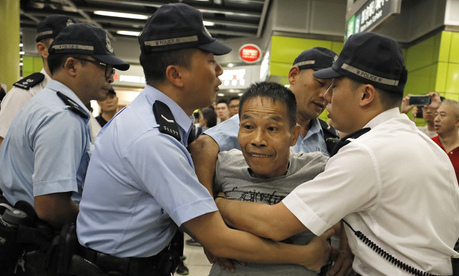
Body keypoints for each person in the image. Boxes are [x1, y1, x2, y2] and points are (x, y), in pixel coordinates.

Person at [76, 4, 333, 276]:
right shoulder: (152, 138)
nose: (220, 70)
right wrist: (305, 255)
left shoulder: (159, 121)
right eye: (211, 61)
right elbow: (219, 239)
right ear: (176, 74)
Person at [215, 32, 459, 275]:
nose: (327, 97)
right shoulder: (428, 148)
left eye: (335, 87)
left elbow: (275, 224)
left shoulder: (366, 152)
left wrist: (218, 205)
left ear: (365, 95)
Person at [0, 22, 129, 227]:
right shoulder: (62, 117)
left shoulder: (47, 102)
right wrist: (99, 223)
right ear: (71, 66)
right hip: (44, 240)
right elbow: (51, 207)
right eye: (105, 67)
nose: (111, 77)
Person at [209, 81, 334, 276]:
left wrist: (346, 249)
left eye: (272, 129)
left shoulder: (319, 171)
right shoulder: (222, 167)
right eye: (248, 126)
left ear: (294, 135)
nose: (258, 140)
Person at [189, 46, 339, 196]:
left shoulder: (329, 138)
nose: (325, 95)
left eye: (333, 88)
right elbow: (202, 146)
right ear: (293, 75)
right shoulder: (248, 123)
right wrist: (208, 208)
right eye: (320, 83)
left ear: (294, 134)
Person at [0, 14, 76, 148]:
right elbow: (3, 144)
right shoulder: (25, 94)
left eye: (75, 42)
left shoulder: (77, 93)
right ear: (43, 49)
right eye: (62, 42)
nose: (72, 49)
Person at [432, 99, 459, 183]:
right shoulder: (428, 145)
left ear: (457, 121)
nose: (436, 119)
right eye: (436, 115)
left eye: (442, 115)